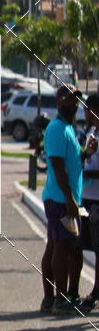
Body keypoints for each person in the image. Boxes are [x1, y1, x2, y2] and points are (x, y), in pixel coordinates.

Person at [40, 85, 97, 314]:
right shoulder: (56, 128)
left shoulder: (68, 128)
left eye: (76, 100)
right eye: (68, 99)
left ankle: (55, 298)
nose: (73, 103)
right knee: (61, 247)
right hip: (60, 199)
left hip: (67, 198)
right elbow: (57, 166)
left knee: (61, 246)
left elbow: (72, 162)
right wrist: (69, 200)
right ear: (58, 101)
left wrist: (86, 153)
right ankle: (58, 298)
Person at [78, 94, 99, 312]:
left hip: (97, 199)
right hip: (88, 196)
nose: (84, 113)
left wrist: (85, 171)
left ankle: (95, 291)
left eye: (87, 109)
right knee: (91, 247)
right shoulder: (91, 132)